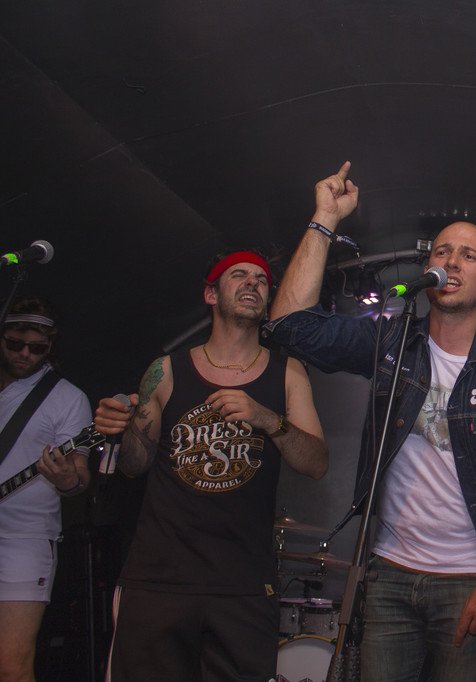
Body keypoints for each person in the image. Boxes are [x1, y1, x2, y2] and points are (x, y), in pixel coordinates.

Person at [265, 161, 476, 682]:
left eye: (469, 255)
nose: (452, 261)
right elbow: (290, 326)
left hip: (473, 579)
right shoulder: (390, 343)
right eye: (442, 251)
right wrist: (324, 220)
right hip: (389, 577)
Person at [93, 250, 328, 682]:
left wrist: (268, 419)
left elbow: (316, 463)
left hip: (243, 586)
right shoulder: (165, 371)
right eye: (238, 275)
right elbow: (134, 465)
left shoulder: (288, 373)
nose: (253, 283)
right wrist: (121, 428)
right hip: (159, 581)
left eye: (261, 279)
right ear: (210, 294)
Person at [0, 297, 92, 682]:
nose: (25, 354)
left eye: (36, 348)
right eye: (15, 344)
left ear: (50, 346)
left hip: (24, 539)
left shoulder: (67, 398)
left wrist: (66, 478)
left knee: (11, 665)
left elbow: (79, 479)